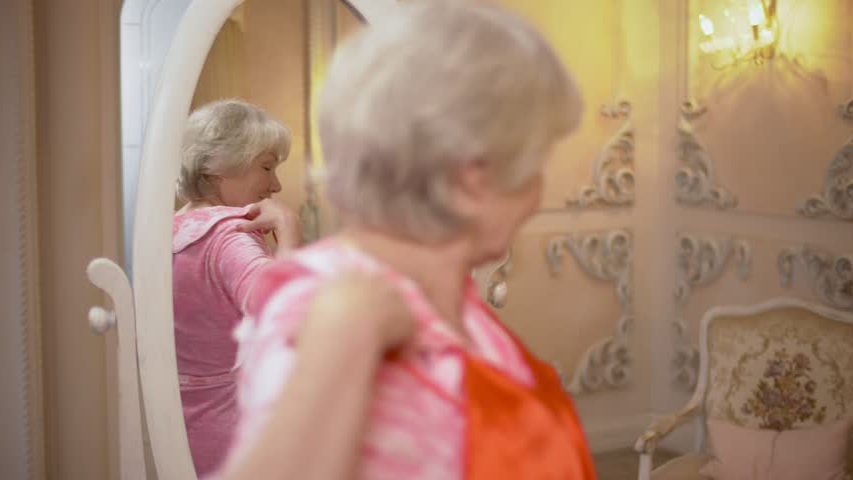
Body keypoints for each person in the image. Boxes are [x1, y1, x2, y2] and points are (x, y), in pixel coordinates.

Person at [217, 1, 594, 479]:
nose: (539, 192)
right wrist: (343, 334)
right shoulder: (328, 310)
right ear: (473, 178)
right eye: (535, 164)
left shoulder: (449, 299)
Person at [172, 99, 301, 477]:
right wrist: (290, 232)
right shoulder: (231, 235)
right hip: (233, 439)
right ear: (217, 167)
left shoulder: (169, 230)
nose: (275, 184)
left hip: (176, 427)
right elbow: (284, 317)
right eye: (266, 166)